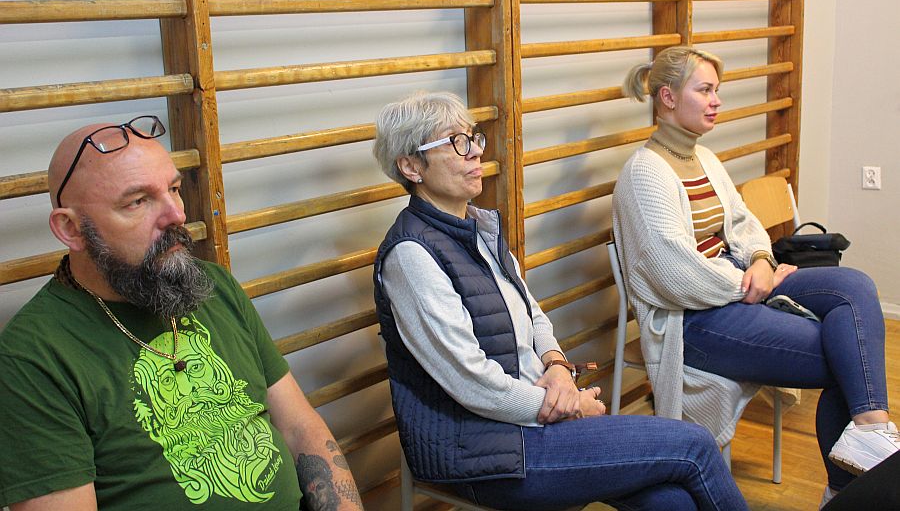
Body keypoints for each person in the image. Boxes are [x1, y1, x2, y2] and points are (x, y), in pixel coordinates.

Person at [372, 91, 748, 511]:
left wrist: (556, 367)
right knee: (695, 444)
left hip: (532, 421)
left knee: (672, 502)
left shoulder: (478, 226)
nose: (476, 151)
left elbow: (532, 314)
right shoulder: (411, 255)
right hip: (480, 452)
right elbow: (472, 383)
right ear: (411, 167)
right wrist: (567, 406)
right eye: (456, 142)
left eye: (473, 137)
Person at [0, 116, 363, 511]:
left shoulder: (213, 286)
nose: (175, 214)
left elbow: (299, 427)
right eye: (138, 201)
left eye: (174, 188)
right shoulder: (32, 356)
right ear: (71, 229)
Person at [611, 45, 898, 507]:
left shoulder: (703, 158)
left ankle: (870, 429)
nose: (716, 101)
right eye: (705, 90)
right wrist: (748, 284)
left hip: (740, 288)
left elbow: (743, 223)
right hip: (693, 322)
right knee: (843, 355)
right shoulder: (644, 174)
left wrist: (762, 259)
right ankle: (845, 490)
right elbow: (674, 275)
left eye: (716, 90)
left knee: (854, 286)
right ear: (667, 97)